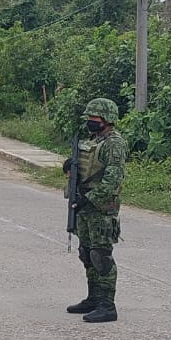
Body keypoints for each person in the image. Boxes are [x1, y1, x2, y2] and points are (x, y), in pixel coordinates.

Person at [64, 97, 127, 323]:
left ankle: (107, 305)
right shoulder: (93, 141)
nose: (90, 122)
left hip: (100, 207)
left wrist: (88, 199)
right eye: (89, 118)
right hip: (85, 205)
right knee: (87, 253)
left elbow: (113, 180)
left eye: (94, 118)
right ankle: (93, 298)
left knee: (101, 255)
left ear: (107, 120)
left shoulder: (114, 144)